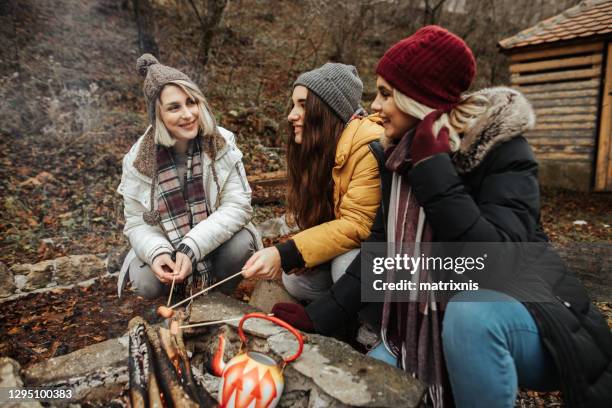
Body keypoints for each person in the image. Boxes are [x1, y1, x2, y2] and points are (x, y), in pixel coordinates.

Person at [271, 26, 612, 407]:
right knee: (374, 384)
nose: (375, 106)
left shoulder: (500, 151)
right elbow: (380, 255)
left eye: (385, 94)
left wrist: (435, 172)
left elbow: (494, 264)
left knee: (470, 316)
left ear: (418, 99)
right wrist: (318, 318)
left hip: (537, 323)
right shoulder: (396, 158)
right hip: (426, 332)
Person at [117, 54, 261, 299]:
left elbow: (238, 206)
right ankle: (176, 297)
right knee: (144, 282)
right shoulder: (137, 161)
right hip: (168, 244)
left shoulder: (221, 143)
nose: (188, 114)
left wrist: (192, 245)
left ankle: (217, 298)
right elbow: (136, 222)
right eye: (174, 107)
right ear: (157, 114)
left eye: (191, 102)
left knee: (241, 246)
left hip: (213, 242)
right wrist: (157, 252)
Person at [242, 63, 384, 301]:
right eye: (293, 104)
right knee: (297, 281)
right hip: (360, 253)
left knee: (346, 265)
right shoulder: (325, 145)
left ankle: (373, 328)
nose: (291, 116)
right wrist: (305, 255)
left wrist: (288, 252)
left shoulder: (367, 146)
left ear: (327, 110)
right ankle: (341, 316)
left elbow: (358, 226)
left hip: (398, 262)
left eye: (303, 105)